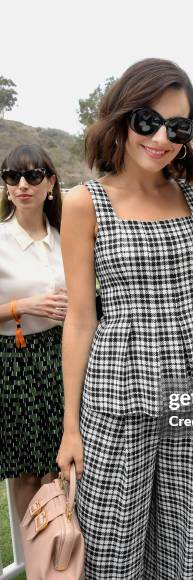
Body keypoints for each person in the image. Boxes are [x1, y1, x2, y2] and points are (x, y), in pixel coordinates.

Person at [56, 58, 193, 580]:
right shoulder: (86, 204)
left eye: (178, 127)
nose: (161, 138)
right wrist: (70, 427)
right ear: (121, 117)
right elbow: (81, 317)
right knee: (108, 545)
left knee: (187, 543)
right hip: (116, 394)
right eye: (147, 120)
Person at [0, 144, 67, 519]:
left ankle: (65, 559)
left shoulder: (66, 236)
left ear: (51, 183)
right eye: (12, 176)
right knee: (27, 471)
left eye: (33, 175)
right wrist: (21, 307)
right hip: (15, 362)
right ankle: (36, 569)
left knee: (62, 464)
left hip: (63, 355)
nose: (22, 184)